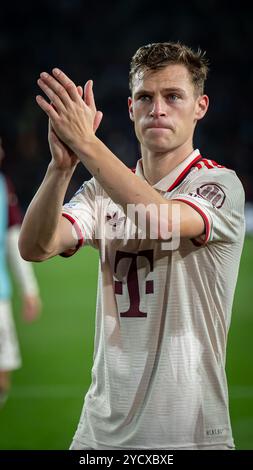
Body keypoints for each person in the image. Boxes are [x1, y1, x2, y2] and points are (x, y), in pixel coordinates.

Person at [19, 42, 245, 450]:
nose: (158, 108)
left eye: (173, 96)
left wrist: (87, 144)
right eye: (146, 97)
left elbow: (161, 221)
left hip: (189, 437)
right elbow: (36, 246)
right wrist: (60, 168)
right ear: (130, 108)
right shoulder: (99, 191)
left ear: (201, 106)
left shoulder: (218, 185)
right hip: (97, 436)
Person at [0, 136, 41, 408]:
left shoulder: (3, 186)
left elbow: (15, 240)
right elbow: (15, 240)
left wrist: (29, 290)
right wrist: (30, 291)